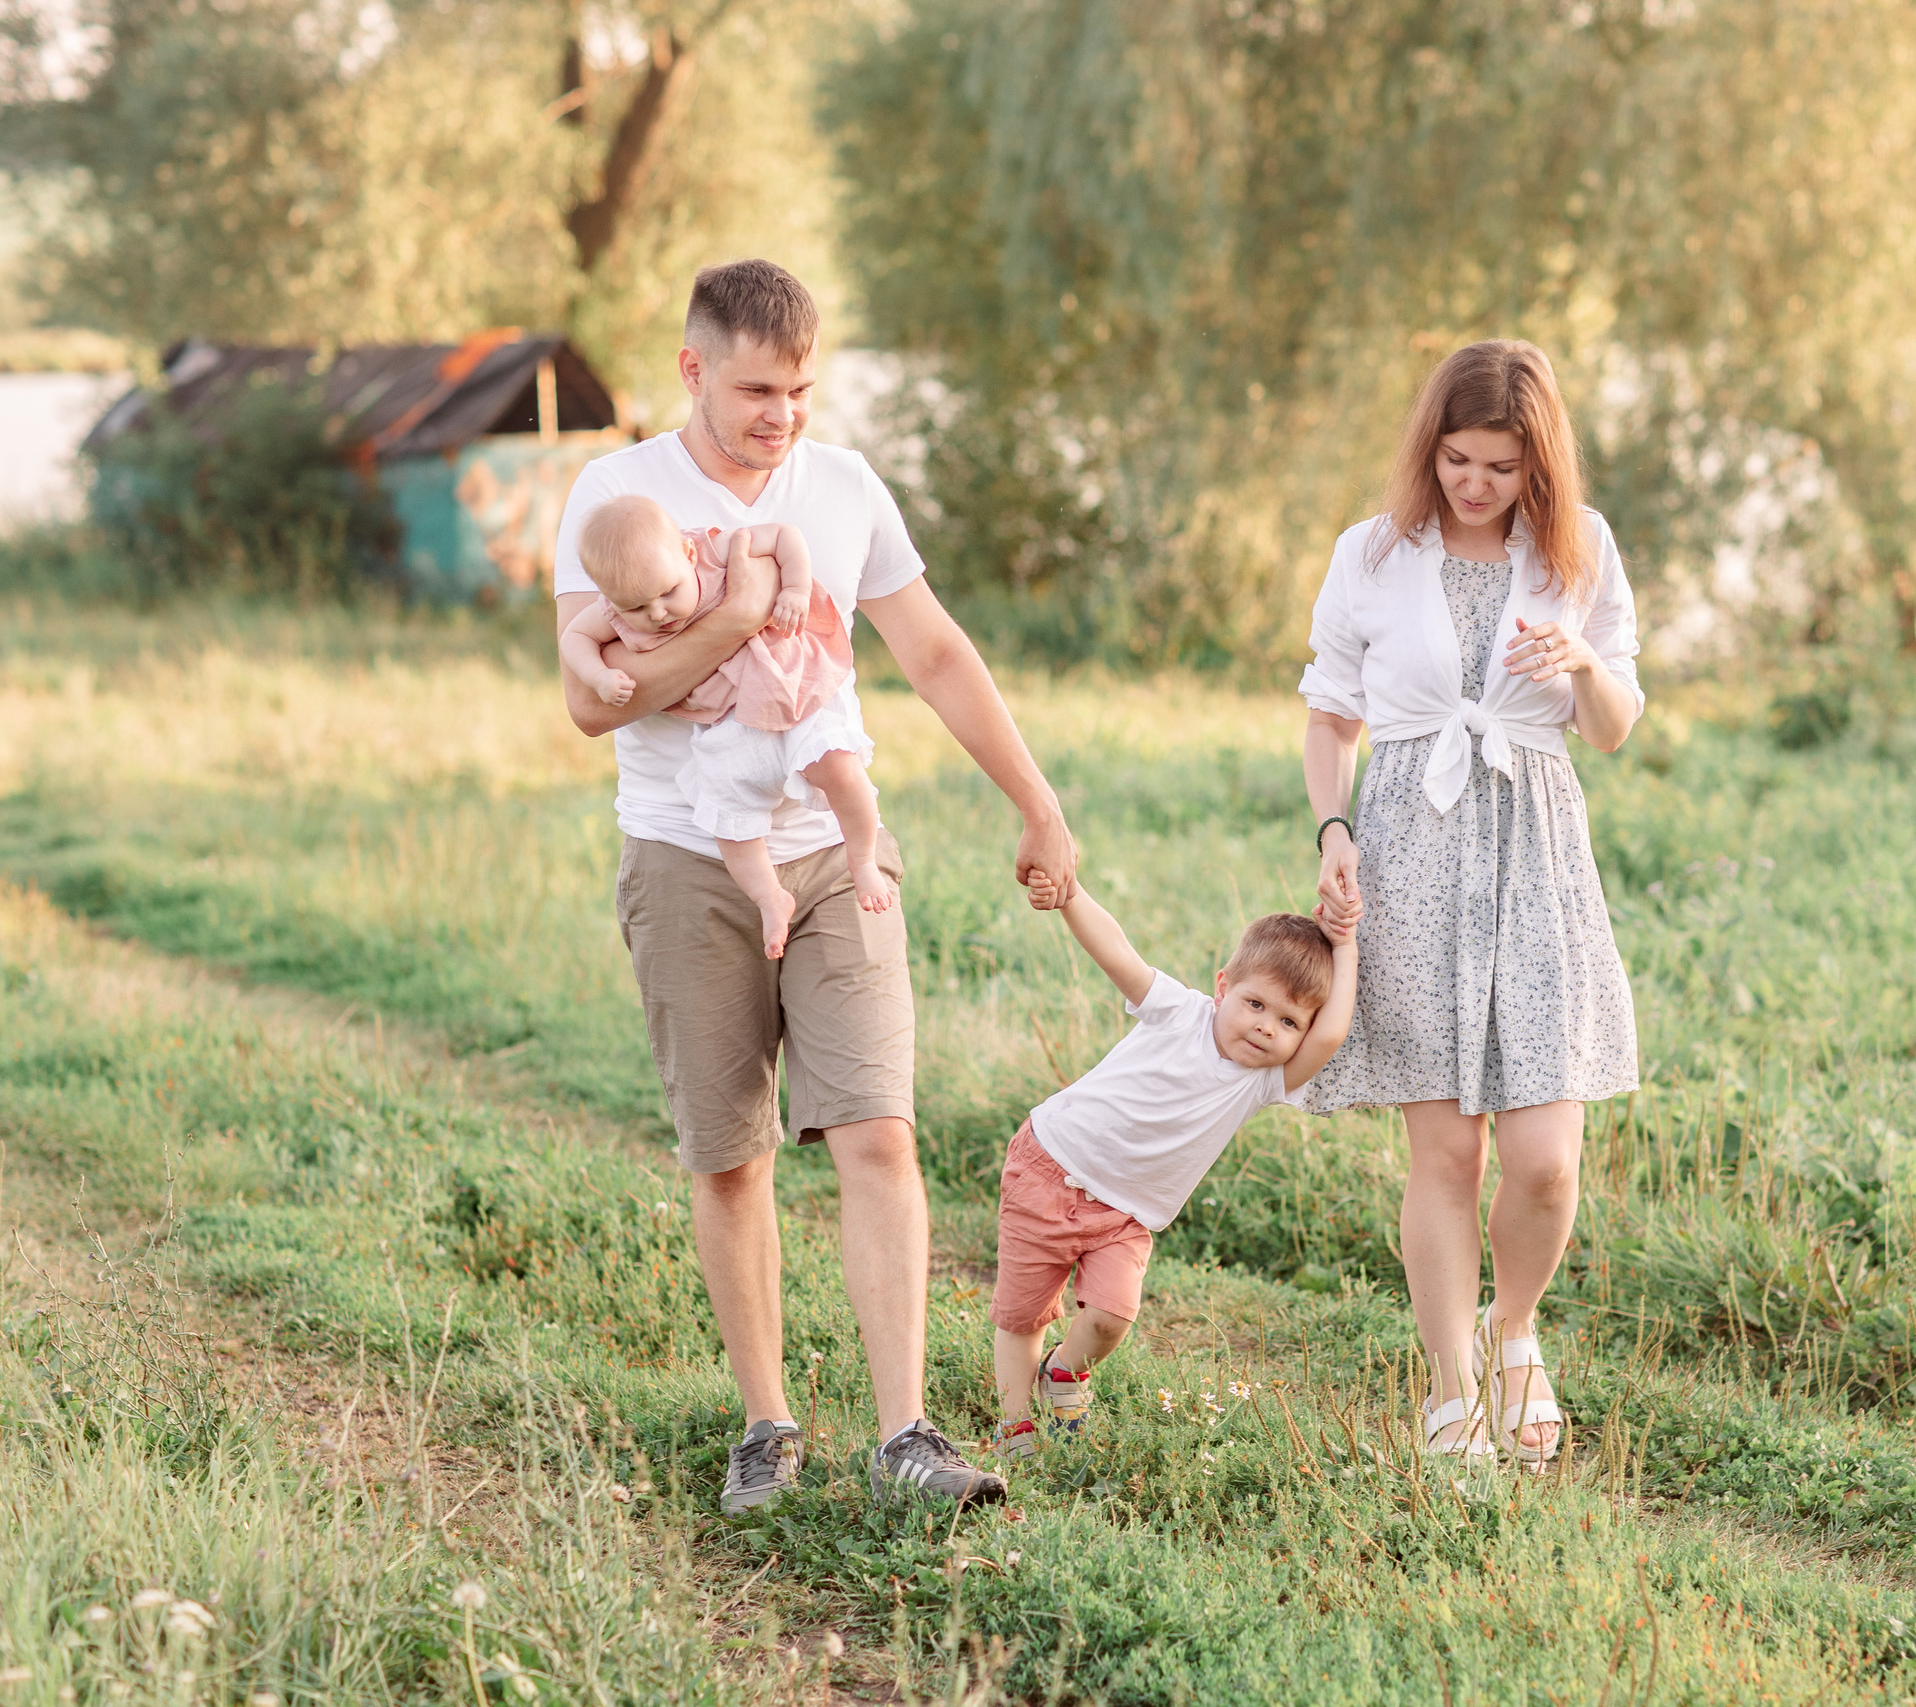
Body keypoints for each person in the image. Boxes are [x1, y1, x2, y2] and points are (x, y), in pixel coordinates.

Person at [553, 259, 1080, 1514]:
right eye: (753, 388)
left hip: (840, 855)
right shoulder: (617, 493)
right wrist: (736, 616)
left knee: (877, 1130)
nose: (779, 414)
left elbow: (937, 651)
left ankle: (905, 1437)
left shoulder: (840, 488)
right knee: (730, 1156)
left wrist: (1037, 797)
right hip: (689, 857)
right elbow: (590, 701)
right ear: (691, 370)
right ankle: (767, 1425)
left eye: (797, 388)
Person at [1296, 339, 1642, 1471]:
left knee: (1544, 1160)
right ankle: (1451, 1394)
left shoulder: (1579, 550)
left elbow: (1613, 726)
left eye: (1498, 465)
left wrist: (1580, 663)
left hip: (1536, 854)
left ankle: (1512, 1330)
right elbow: (1330, 712)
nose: (1473, 484)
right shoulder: (1373, 552)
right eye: (1455, 459)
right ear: (1428, 450)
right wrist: (1332, 830)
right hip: (1406, 850)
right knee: (1445, 1155)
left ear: (1536, 462)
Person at [985, 882, 1357, 1459]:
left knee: (1111, 1317)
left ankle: (1063, 1370)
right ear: (1223, 988)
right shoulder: (1178, 1012)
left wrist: (1346, 940)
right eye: (1255, 1005)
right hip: (1049, 1166)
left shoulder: (1263, 1083)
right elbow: (1118, 953)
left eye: (1288, 1022)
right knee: (1023, 1315)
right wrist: (1069, 894)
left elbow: (1333, 1031)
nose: (1265, 1027)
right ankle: (1014, 1424)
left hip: (1125, 1215)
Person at [560, 496, 895, 951]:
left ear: (687, 554)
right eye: (636, 608)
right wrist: (598, 676)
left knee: (837, 764)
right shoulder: (614, 607)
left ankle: (862, 860)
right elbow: (574, 638)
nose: (657, 614)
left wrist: (795, 588)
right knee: (730, 816)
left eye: (667, 593)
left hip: (791, 684)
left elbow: (783, 536)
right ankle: (770, 898)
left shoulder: (713, 552)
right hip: (729, 724)